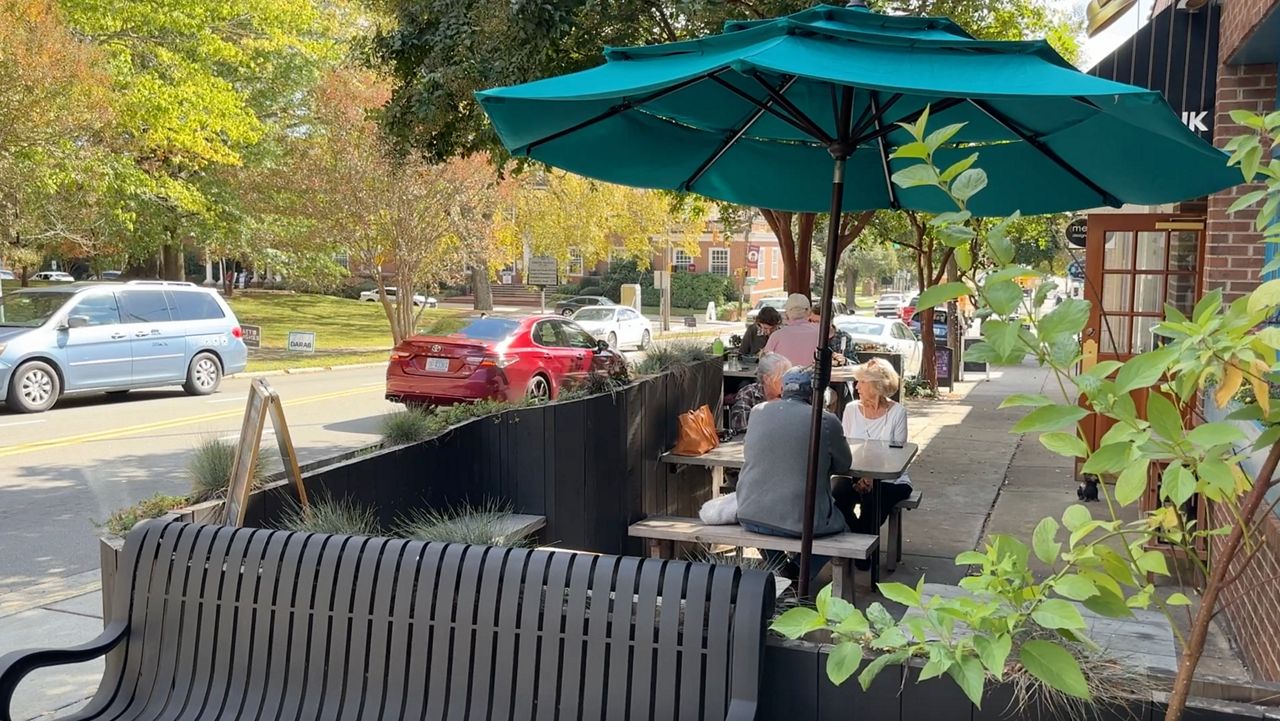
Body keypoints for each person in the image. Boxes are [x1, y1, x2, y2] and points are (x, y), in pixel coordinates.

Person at [736, 366, 853, 580]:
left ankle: (782, 570)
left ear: (782, 388)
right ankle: (796, 573)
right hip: (802, 521)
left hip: (749, 514)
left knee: (766, 525)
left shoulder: (758, 412)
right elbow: (844, 465)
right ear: (814, 392)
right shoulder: (825, 420)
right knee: (844, 528)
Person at [837, 358, 913, 539]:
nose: (856, 387)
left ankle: (861, 550)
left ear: (877, 386)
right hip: (855, 474)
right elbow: (846, 448)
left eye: (862, 382)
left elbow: (897, 455)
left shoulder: (897, 412)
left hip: (890, 478)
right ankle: (861, 542)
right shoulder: (851, 410)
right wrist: (861, 477)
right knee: (835, 495)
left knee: (874, 502)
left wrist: (871, 478)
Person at [727, 352, 792, 432]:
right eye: (783, 378)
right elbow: (739, 424)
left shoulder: (790, 395)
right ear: (767, 379)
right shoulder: (748, 393)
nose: (788, 382)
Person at [763, 293, 822, 366]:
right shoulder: (820, 332)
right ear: (809, 312)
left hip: (783, 376)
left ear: (786, 313)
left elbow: (766, 362)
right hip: (812, 376)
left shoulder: (777, 336)